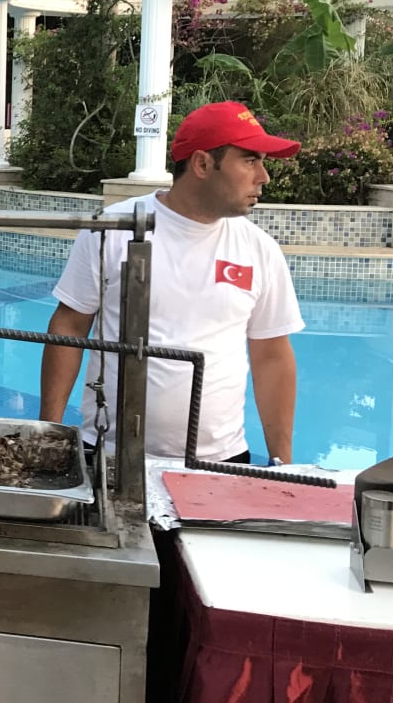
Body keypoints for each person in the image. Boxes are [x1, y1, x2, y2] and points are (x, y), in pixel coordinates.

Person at [38, 101, 304, 466]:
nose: (264, 176)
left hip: (220, 460)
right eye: (250, 160)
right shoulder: (113, 229)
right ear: (202, 164)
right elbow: (70, 326)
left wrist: (283, 464)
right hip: (107, 453)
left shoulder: (259, 249)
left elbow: (271, 356)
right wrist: (48, 432)